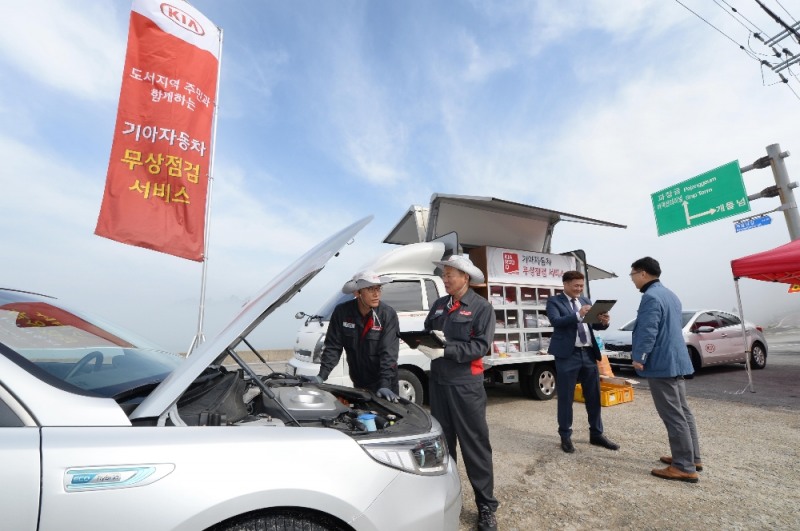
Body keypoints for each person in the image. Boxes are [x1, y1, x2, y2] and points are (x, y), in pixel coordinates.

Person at [418, 254, 499, 531]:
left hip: (466, 386)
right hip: (439, 384)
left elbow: (480, 347)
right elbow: (429, 328)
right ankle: (448, 500)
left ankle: (486, 506)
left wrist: (446, 349)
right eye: (444, 274)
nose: (446, 278)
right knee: (443, 446)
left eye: (450, 273)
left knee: (474, 446)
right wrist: (425, 340)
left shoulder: (481, 308)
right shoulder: (440, 305)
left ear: (465, 277)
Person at [629, 257, 702, 483]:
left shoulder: (650, 297)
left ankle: (683, 465)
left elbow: (648, 330)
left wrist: (640, 357)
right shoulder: (670, 294)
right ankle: (693, 458)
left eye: (632, 274)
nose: (631, 279)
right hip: (676, 360)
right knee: (683, 411)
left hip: (662, 363)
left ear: (642, 273)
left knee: (673, 414)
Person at [546, 270, 619, 453]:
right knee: (566, 397)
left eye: (581, 285)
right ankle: (565, 436)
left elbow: (593, 325)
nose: (579, 289)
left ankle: (596, 434)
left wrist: (603, 322)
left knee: (593, 396)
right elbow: (556, 321)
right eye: (575, 285)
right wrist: (578, 315)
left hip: (588, 353)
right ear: (565, 284)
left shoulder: (586, 301)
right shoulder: (554, 301)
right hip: (567, 355)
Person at [305, 271, 401, 402]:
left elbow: (388, 353)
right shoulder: (342, 312)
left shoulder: (387, 315)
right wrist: (321, 376)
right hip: (359, 381)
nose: (376, 294)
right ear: (357, 293)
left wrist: (385, 384)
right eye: (370, 289)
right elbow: (333, 347)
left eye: (378, 288)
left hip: (385, 384)